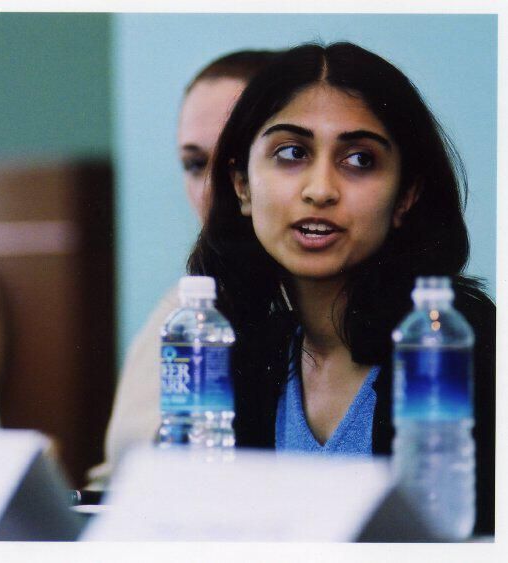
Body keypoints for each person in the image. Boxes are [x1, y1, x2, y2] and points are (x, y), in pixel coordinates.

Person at [187, 42, 494, 535]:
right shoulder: (238, 351)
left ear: (406, 195)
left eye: (359, 160)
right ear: (242, 184)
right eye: (292, 153)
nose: (320, 190)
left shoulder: (462, 347)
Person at [88, 50, 278, 485]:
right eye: (195, 164)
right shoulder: (188, 310)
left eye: (238, 161)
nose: (214, 190)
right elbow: (117, 474)